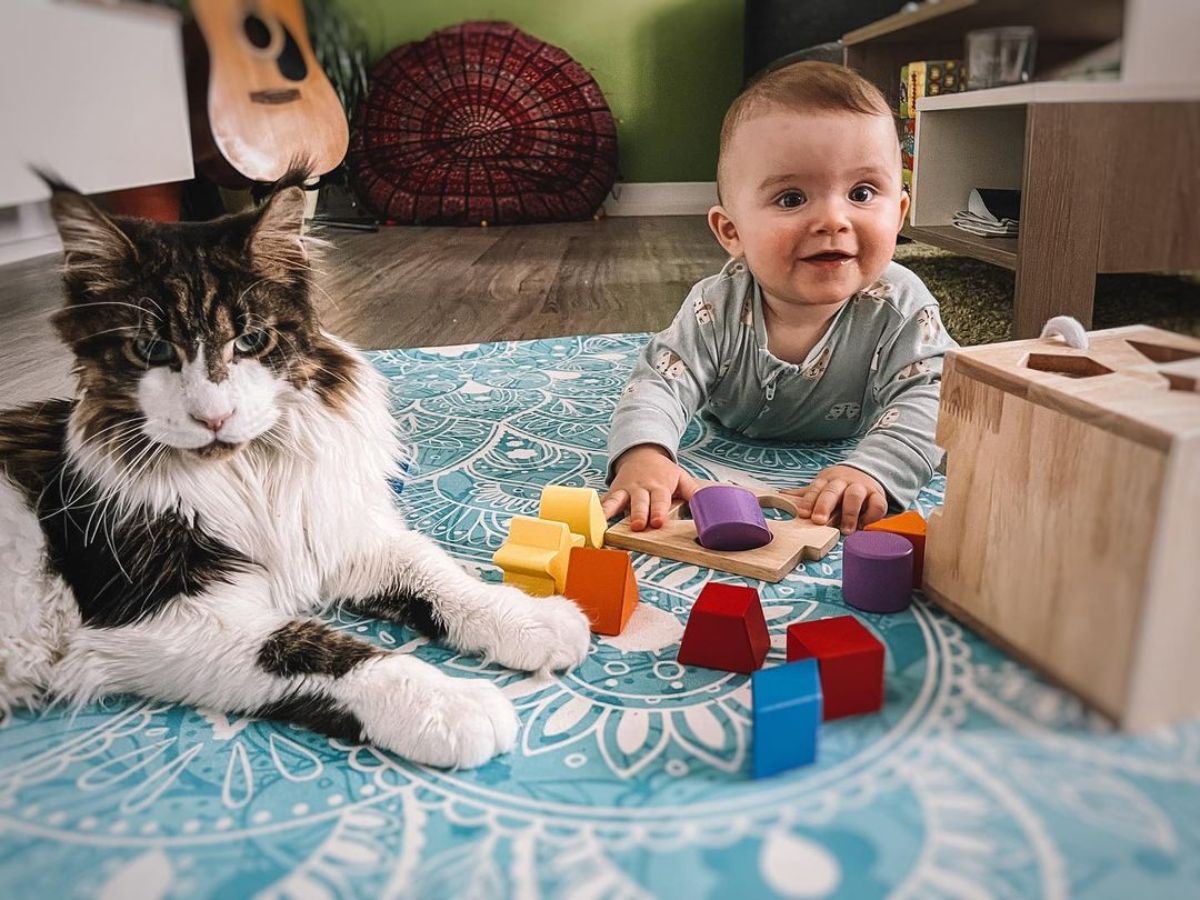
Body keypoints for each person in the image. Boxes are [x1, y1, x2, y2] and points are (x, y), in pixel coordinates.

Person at [602, 61, 957, 535]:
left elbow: (935, 397)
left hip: (853, 443)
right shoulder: (716, 305)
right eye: (791, 198)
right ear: (732, 232)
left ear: (899, 213)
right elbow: (658, 383)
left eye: (862, 192)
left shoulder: (901, 306)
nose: (834, 219)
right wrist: (644, 454)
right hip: (728, 430)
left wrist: (873, 470)